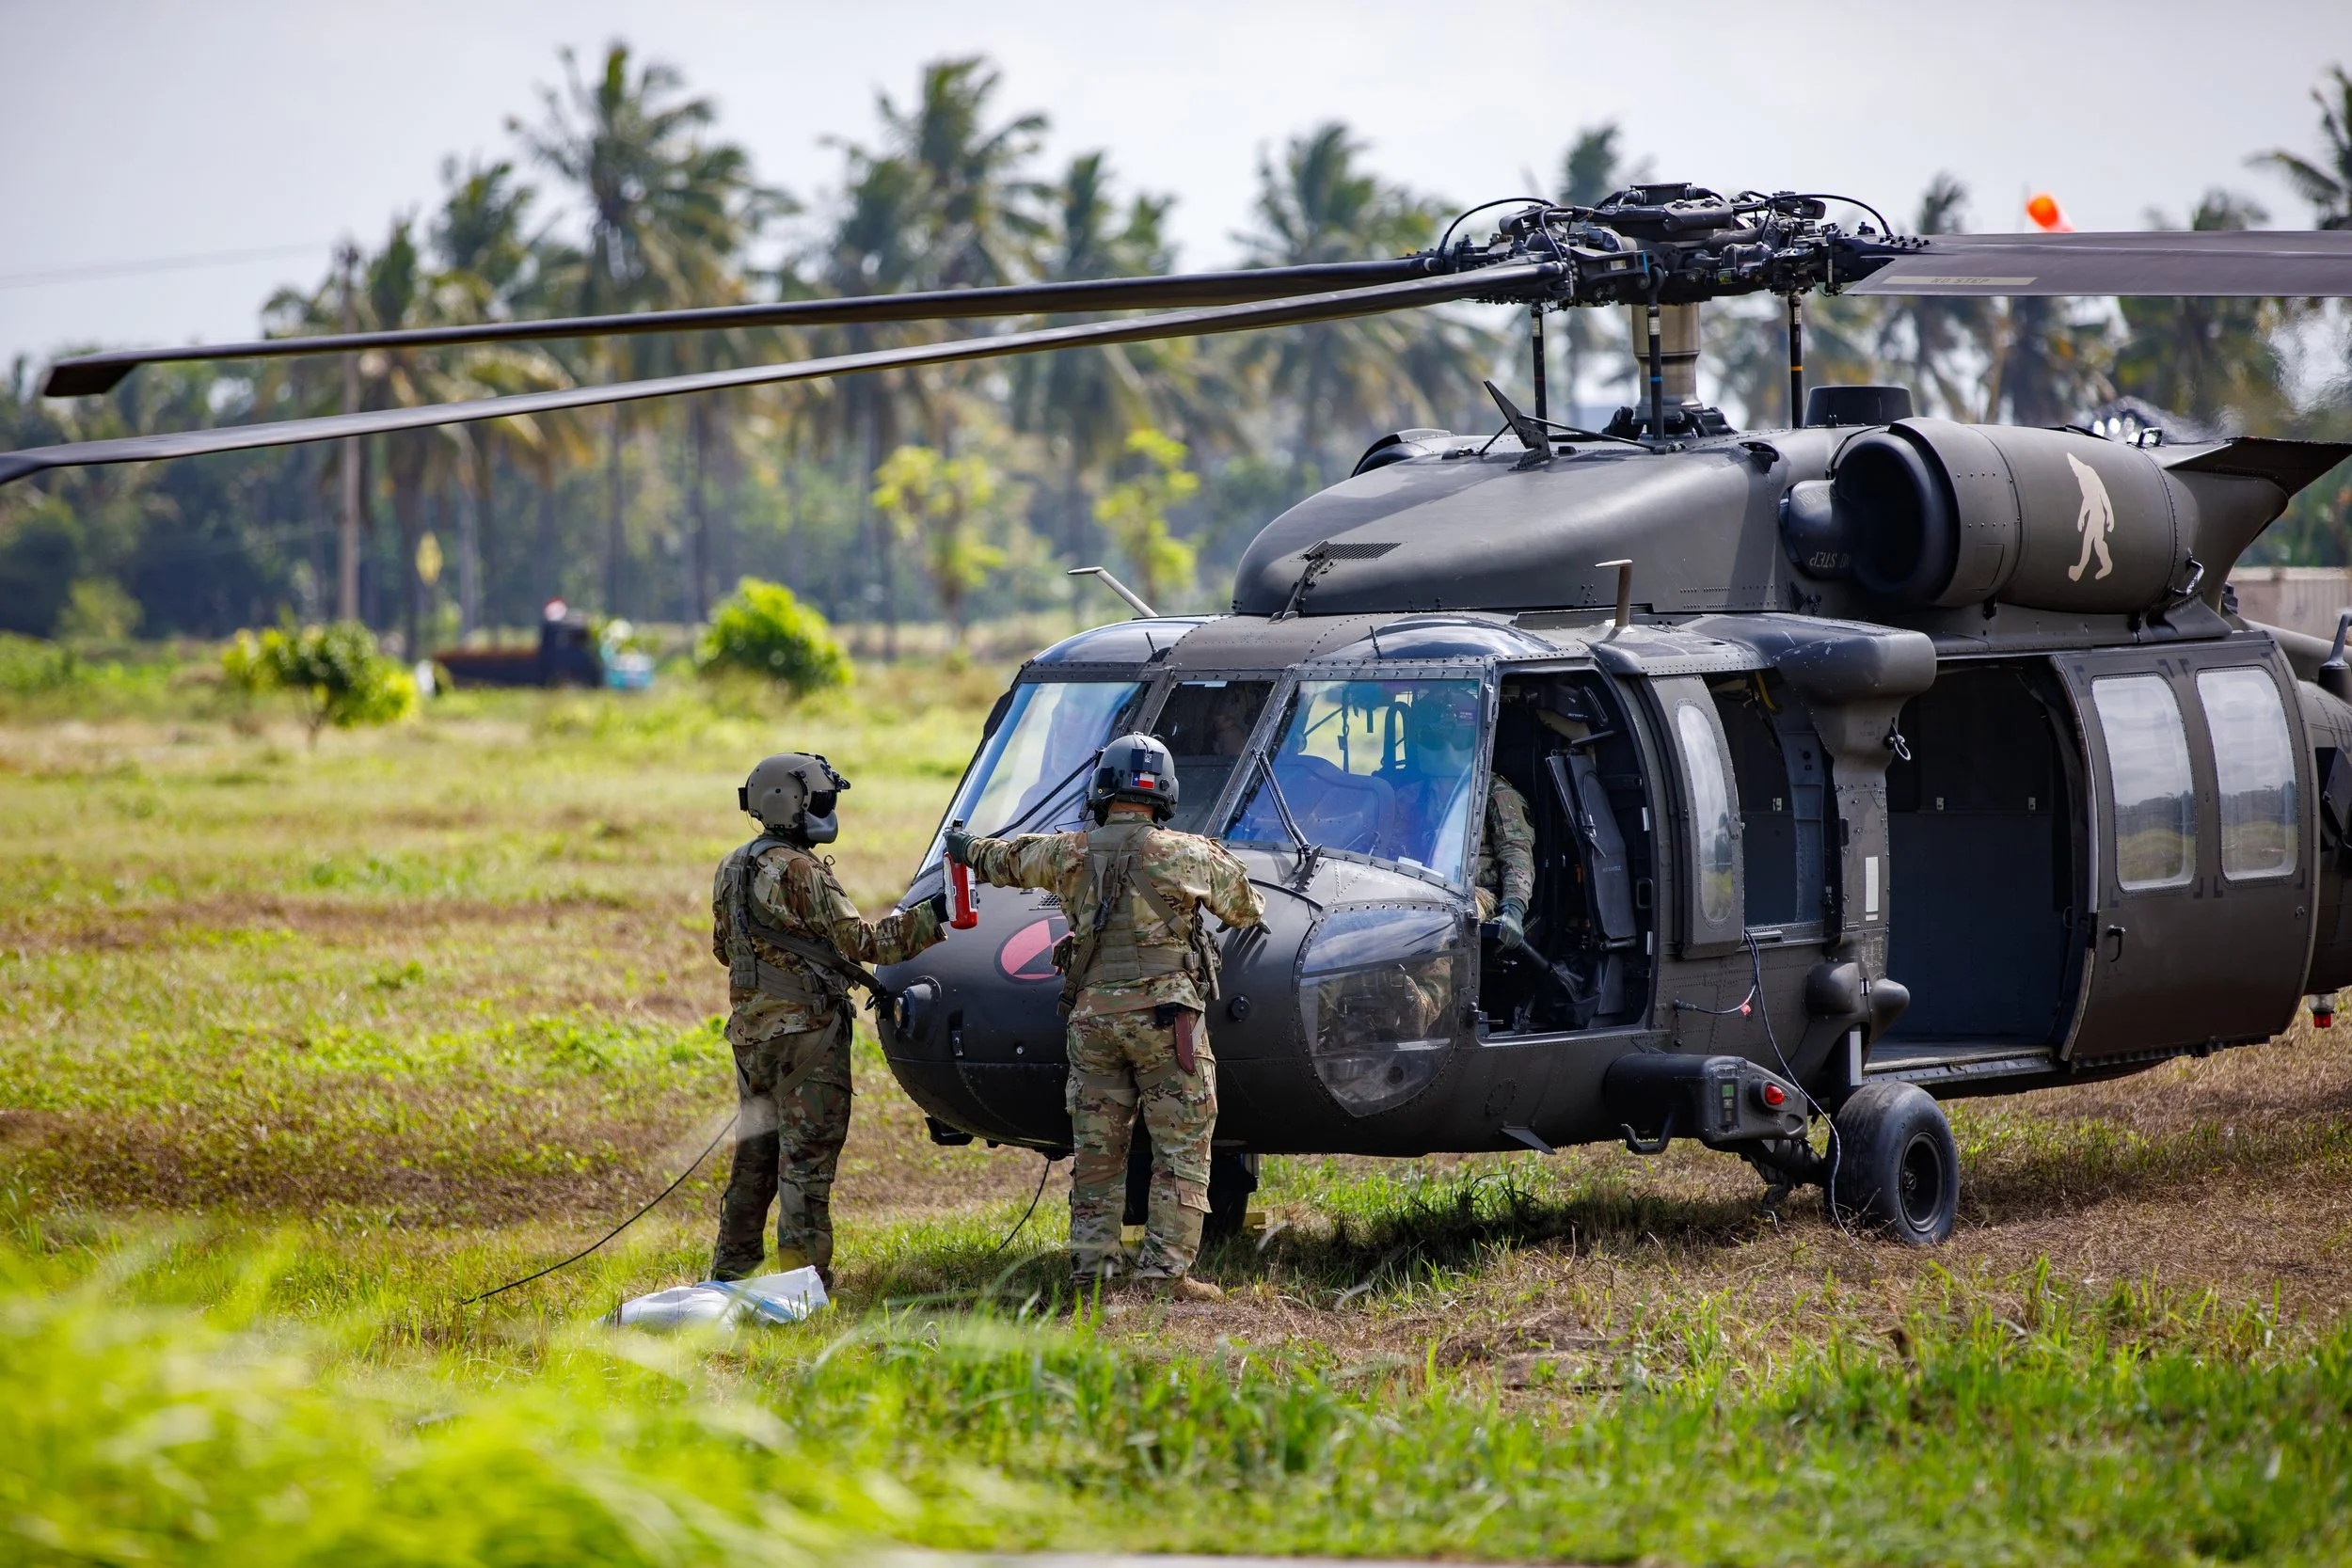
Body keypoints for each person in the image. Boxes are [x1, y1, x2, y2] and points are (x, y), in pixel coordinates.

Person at [946, 733, 1265, 1300]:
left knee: (1098, 1151)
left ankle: (1090, 1272)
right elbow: (1246, 909)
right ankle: (1165, 1274)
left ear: (1102, 790)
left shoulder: (1066, 852)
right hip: (1169, 1024)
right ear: (1163, 793)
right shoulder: (1189, 853)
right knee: (1181, 1146)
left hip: (1092, 1021)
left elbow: (1003, 860)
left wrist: (967, 847)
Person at [710, 752, 947, 1288]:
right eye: (821, 800)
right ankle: (802, 1282)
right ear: (791, 804)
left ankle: (732, 1270)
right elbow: (866, 943)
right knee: (806, 1161)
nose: (827, 809)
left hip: (751, 1039)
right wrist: (939, 915)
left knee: (755, 1157)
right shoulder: (802, 870)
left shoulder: (732, 864)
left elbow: (725, 951)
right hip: (807, 1040)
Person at [1382, 684, 1536, 946]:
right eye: (1429, 739)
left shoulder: (1495, 794)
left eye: (1449, 739)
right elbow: (1386, 849)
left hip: (1472, 893)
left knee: (1441, 924)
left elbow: (1516, 855)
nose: (1442, 749)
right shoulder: (1408, 794)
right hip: (1412, 889)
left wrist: (1513, 910)